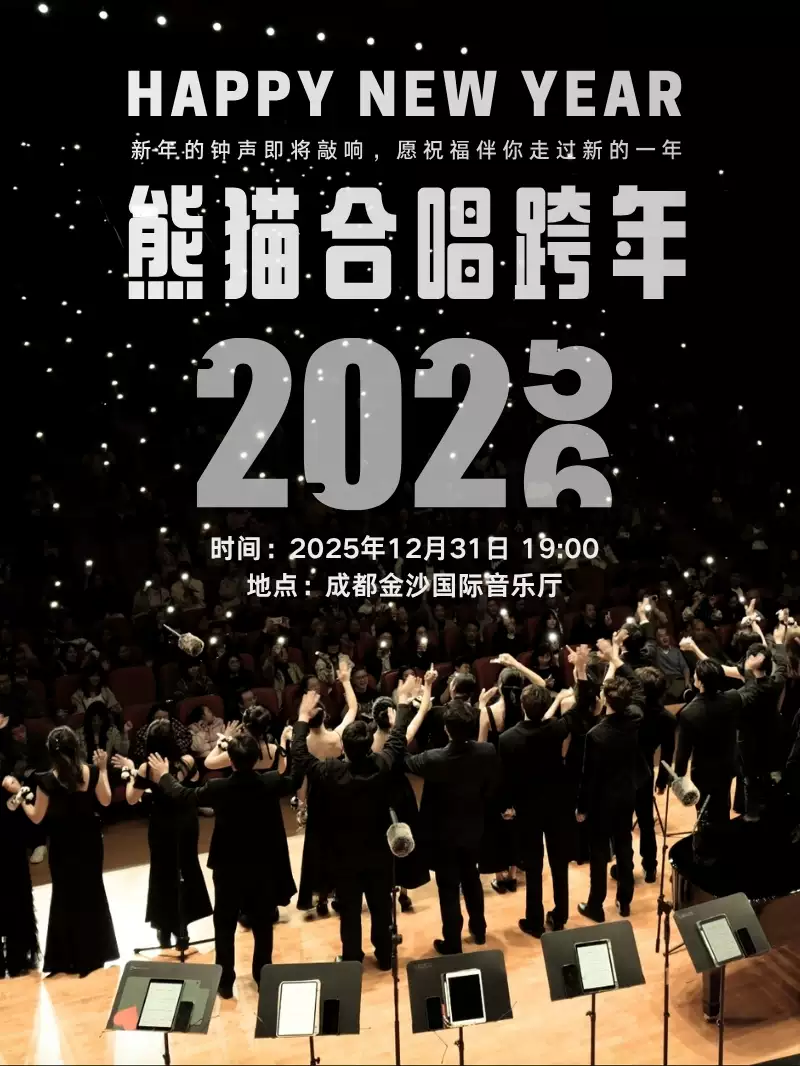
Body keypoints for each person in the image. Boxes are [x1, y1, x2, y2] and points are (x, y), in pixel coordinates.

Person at [149, 732, 296, 998]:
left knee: (225, 924)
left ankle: (226, 981)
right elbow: (295, 777)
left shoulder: (218, 787)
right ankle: (263, 974)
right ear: (256, 759)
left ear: (230, 760)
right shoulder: (271, 782)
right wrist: (288, 741)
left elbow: (182, 795)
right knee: (263, 924)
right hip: (262, 867)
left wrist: (163, 776)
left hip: (228, 869)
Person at [291, 677, 417, 969]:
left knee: (349, 910)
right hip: (379, 852)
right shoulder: (383, 764)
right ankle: (384, 956)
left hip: (344, 855)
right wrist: (403, 702)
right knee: (381, 907)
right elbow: (398, 736)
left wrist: (302, 718)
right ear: (369, 746)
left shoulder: (332, 771)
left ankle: (352, 959)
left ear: (344, 749)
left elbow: (299, 754)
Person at [4, 726, 118, 975]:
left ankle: (68, 958)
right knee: (92, 894)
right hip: (90, 844)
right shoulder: (90, 771)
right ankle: (95, 952)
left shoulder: (46, 780)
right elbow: (106, 800)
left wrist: (21, 797)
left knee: (65, 897)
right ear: (76, 747)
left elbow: (36, 817)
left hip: (62, 846)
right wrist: (103, 769)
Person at [405, 699, 500, 955]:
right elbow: (491, 786)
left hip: (443, 836)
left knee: (448, 889)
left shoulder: (434, 758)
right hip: (474, 829)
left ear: (446, 729)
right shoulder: (487, 750)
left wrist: (405, 717)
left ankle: (453, 942)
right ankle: (479, 930)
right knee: (472, 879)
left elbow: (402, 758)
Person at [113, 719, 212, 950]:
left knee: (163, 873)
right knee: (187, 867)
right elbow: (193, 781)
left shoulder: (146, 769)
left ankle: (165, 928)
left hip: (163, 825)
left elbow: (131, 798)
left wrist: (131, 772)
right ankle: (183, 927)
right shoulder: (187, 761)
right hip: (187, 822)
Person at [576, 640, 649, 922]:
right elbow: (638, 687)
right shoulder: (635, 718)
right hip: (626, 793)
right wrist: (616, 659)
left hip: (601, 802)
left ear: (606, 701)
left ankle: (596, 906)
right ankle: (624, 900)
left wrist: (582, 808)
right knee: (624, 846)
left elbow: (588, 777)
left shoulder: (595, 735)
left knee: (598, 854)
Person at [498, 683, 574, 936]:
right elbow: (578, 707)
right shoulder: (557, 728)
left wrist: (505, 806)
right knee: (559, 863)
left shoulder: (507, 739)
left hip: (527, 809)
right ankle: (560, 916)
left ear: (522, 706)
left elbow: (505, 778)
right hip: (557, 806)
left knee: (533, 867)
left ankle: (535, 921)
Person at [294, 659, 358, 916]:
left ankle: (320, 898)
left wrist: (302, 804)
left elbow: (303, 778)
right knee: (340, 846)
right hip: (341, 794)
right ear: (326, 717)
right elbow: (353, 708)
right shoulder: (337, 737)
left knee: (319, 849)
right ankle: (341, 893)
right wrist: (346, 681)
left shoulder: (304, 744)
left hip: (318, 797)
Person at [370, 671, 437, 910]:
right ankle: (405, 892)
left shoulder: (367, 742)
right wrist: (427, 685)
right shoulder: (400, 739)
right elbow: (423, 710)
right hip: (401, 796)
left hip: (378, 798)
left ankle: (387, 889)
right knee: (405, 838)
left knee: (382, 843)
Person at [673, 659, 738, 861]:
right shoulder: (732, 700)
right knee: (723, 807)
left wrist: (678, 776)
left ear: (699, 681)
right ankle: (725, 852)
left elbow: (683, 752)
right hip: (727, 766)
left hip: (703, 772)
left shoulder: (689, 713)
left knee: (704, 813)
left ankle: (706, 855)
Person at [625, 666, 676, 882]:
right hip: (645, 772)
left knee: (622, 824)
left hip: (622, 770)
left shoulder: (629, 714)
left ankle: (624, 867)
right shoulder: (667, 718)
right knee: (646, 821)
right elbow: (667, 753)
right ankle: (650, 867)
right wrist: (662, 781)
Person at [0, 713, 40, 976]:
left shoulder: (10, 747)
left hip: (9, 830)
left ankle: (18, 954)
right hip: (5, 826)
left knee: (14, 890)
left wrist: (16, 791)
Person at [478, 668, 524, 893]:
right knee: (516, 826)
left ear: (499, 686)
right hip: (518, 775)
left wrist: (480, 706)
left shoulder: (488, 712)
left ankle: (499, 875)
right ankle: (514, 875)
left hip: (495, 776)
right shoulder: (524, 710)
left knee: (494, 828)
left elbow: (480, 747)